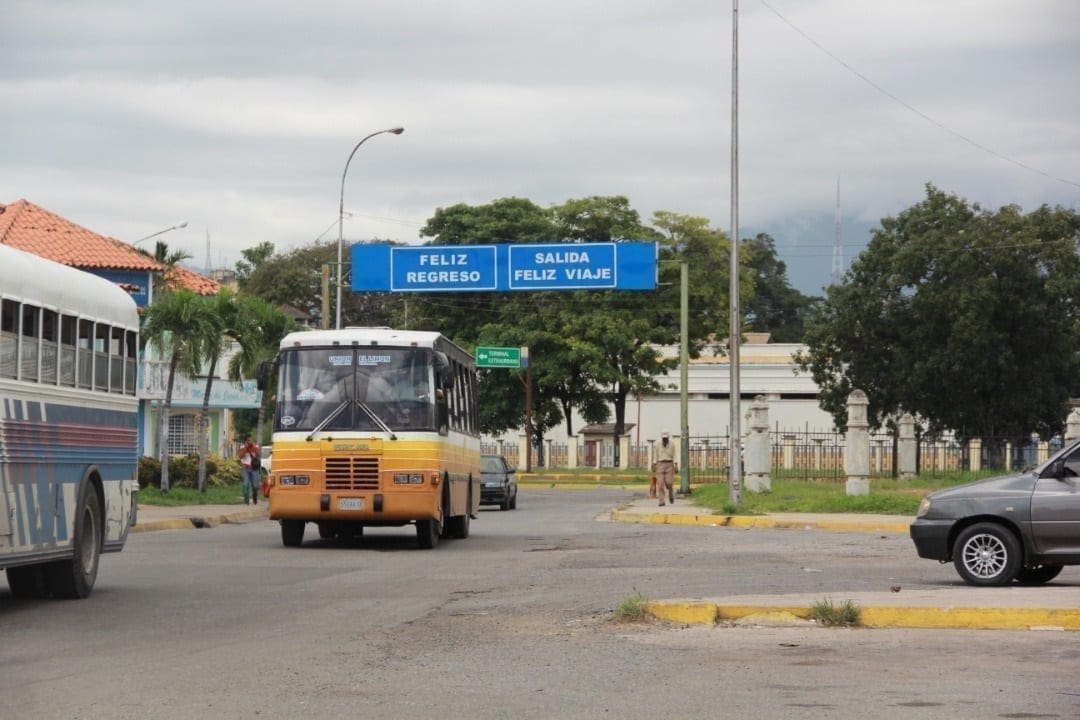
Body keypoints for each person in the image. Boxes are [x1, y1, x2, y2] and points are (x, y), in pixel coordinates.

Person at [654, 430, 676, 506]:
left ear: (668, 438)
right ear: (661, 438)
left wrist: (676, 465)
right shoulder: (658, 445)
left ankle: (671, 493)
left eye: (666, 438)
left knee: (669, 483)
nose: (665, 440)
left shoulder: (672, 444)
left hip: (669, 464)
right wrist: (654, 464)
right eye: (663, 438)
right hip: (660, 464)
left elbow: (675, 455)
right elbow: (655, 455)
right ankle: (661, 500)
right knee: (660, 484)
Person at [240, 436, 261, 506]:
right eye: (248, 440)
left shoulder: (256, 446)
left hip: (254, 469)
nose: (250, 442)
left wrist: (254, 447)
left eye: (251, 440)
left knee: (255, 486)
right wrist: (246, 448)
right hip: (245, 468)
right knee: (245, 485)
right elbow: (240, 456)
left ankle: (255, 497)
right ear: (246, 441)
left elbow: (259, 455)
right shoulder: (242, 447)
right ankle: (246, 501)